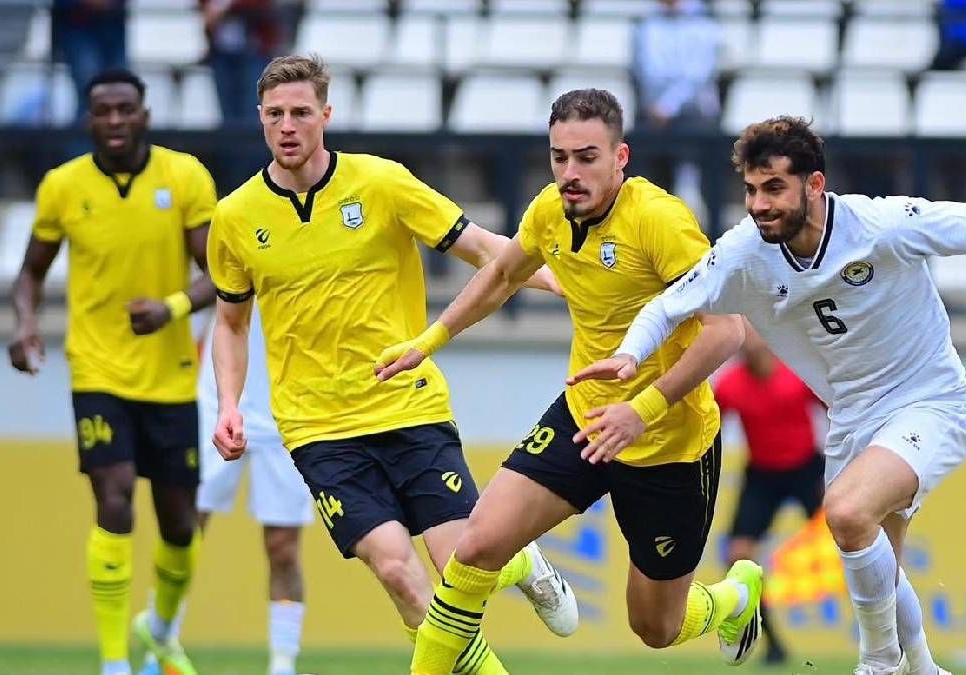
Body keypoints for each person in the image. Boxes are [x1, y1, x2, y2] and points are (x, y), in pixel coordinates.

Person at [571, 115, 966, 675]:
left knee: (845, 511)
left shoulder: (881, 224)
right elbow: (670, 305)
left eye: (774, 189)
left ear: (814, 185)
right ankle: (924, 667)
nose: (759, 205)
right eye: (750, 190)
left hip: (930, 402)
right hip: (853, 420)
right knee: (880, 565)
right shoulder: (744, 250)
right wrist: (630, 355)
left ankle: (879, 661)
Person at [205, 54, 578, 675]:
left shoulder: (381, 183)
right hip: (318, 428)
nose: (288, 126)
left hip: (408, 404)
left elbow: (487, 250)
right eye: (276, 115)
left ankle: (521, 561)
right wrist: (227, 405)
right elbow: (231, 323)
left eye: (301, 112)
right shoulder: (236, 218)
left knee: (460, 560)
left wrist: (567, 284)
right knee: (402, 578)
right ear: (260, 120)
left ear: (326, 114)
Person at [376, 88, 765, 675]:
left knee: (656, 627)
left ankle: (736, 596)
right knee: (475, 546)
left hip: (667, 442)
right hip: (584, 418)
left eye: (586, 157)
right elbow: (504, 273)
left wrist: (644, 410)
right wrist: (428, 342)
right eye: (560, 157)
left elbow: (727, 331)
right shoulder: (549, 211)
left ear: (621, 157)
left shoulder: (661, 221)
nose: (570, 173)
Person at [8, 69, 217, 675]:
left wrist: (171, 308)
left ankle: (160, 630)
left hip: (172, 375)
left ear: (145, 115)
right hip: (96, 371)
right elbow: (30, 274)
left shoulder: (184, 177)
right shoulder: (63, 187)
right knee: (115, 497)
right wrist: (25, 326)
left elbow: (221, 275)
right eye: (104, 111)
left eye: (127, 109)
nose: (117, 121)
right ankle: (112, 662)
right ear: (90, 119)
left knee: (179, 524)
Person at [139, 306, 311, 675]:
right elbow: (192, 328)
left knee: (283, 548)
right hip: (215, 409)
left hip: (290, 413)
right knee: (185, 531)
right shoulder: (222, 252)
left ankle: (283, 667)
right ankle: (159, 649)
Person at [713, 321, 825, 665]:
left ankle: (888, 637)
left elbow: (838, 410)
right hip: (762, 474)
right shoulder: (730, 385)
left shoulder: (797, 371)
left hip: (808, 469)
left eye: (753, 332)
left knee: (855, 543)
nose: (747, 342)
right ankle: (772, 644)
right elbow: (709, 432)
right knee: (738, 555)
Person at [631, 0, 722, 230]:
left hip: (695, 112)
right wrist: (658, 106)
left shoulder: (705, 21)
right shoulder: (646, 22)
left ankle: (699, 218)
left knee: (696, 136)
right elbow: (648, 68)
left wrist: (668, 105)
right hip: (652, 112)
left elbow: (699, 72)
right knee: (643, 152)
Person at [52, 0, 127, 119]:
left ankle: (99, 133)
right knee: (90, 87)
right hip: (76, 24)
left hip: (112, 25)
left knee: (118, 88)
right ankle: (87, 134)